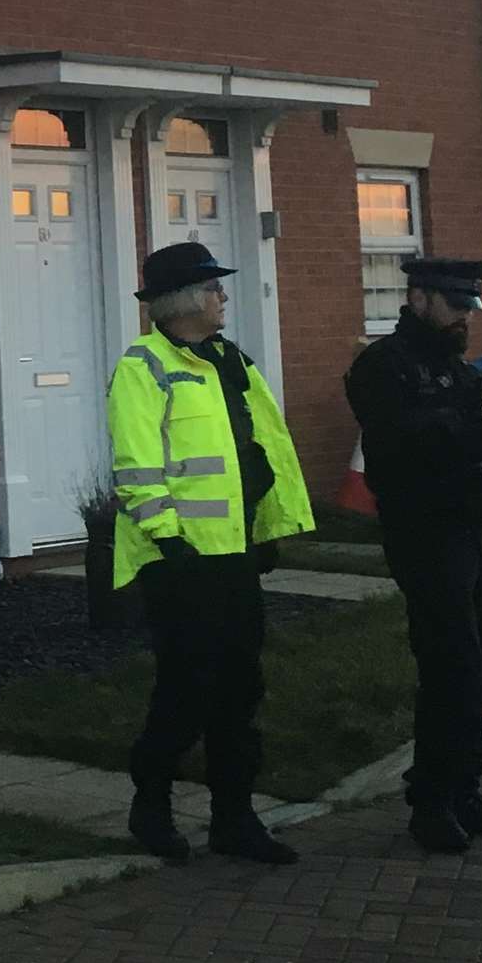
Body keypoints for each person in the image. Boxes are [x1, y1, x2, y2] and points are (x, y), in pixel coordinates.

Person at [108, 242, 315, 865]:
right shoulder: (143, 368)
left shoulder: (233, 362)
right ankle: (151, 808)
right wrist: (170, 541)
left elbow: (264, 448)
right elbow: (137, 467)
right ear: (185, 301)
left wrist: (267, 528)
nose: (224, 297)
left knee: (239, 691)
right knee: (184, 690)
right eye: (214, 288)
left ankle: (235, 818)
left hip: (237, 557)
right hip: (180, 563)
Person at [343, 257, 482, 853]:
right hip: (423, 534)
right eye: (454, 306)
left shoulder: (468, 374)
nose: (463, 319)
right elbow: (397, 436)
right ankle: (431, 800)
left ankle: (465, 789)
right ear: (420, 299)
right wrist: (474, 439)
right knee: (450, 662)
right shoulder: (382, 367)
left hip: (472, 528)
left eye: (469, 309)